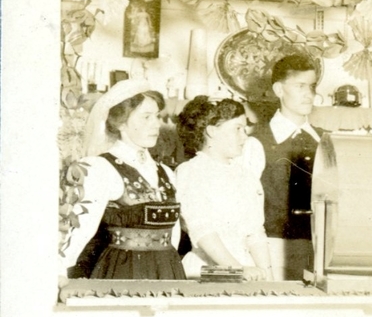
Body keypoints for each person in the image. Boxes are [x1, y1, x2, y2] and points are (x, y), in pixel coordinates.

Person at [59, 80, 185, 280]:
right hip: (125, 270)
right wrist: (58, 271)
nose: (156, 124)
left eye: (157, 116)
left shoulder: (166, 173)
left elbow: (174, 234)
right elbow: (81, 227)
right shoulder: (101, 168)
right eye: (146, 117)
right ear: (121, 123)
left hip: (168, 269)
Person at [174, 96, 273, 281]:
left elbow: (256, 233)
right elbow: (202, 231)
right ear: (212, 131)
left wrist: (268, 277)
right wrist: (237, 269)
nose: (244, 136)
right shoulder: (191, 171)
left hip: (246, 269)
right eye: (237, 128)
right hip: (206, 271)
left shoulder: (246, 175)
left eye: (245, 129)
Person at [253, 54, 324, 281]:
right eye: (300, 86)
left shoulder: (325, 141)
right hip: (272, 249)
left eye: (312, 86)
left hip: (320, 249)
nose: (309, 94)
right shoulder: (257, 141)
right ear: (279, 90)